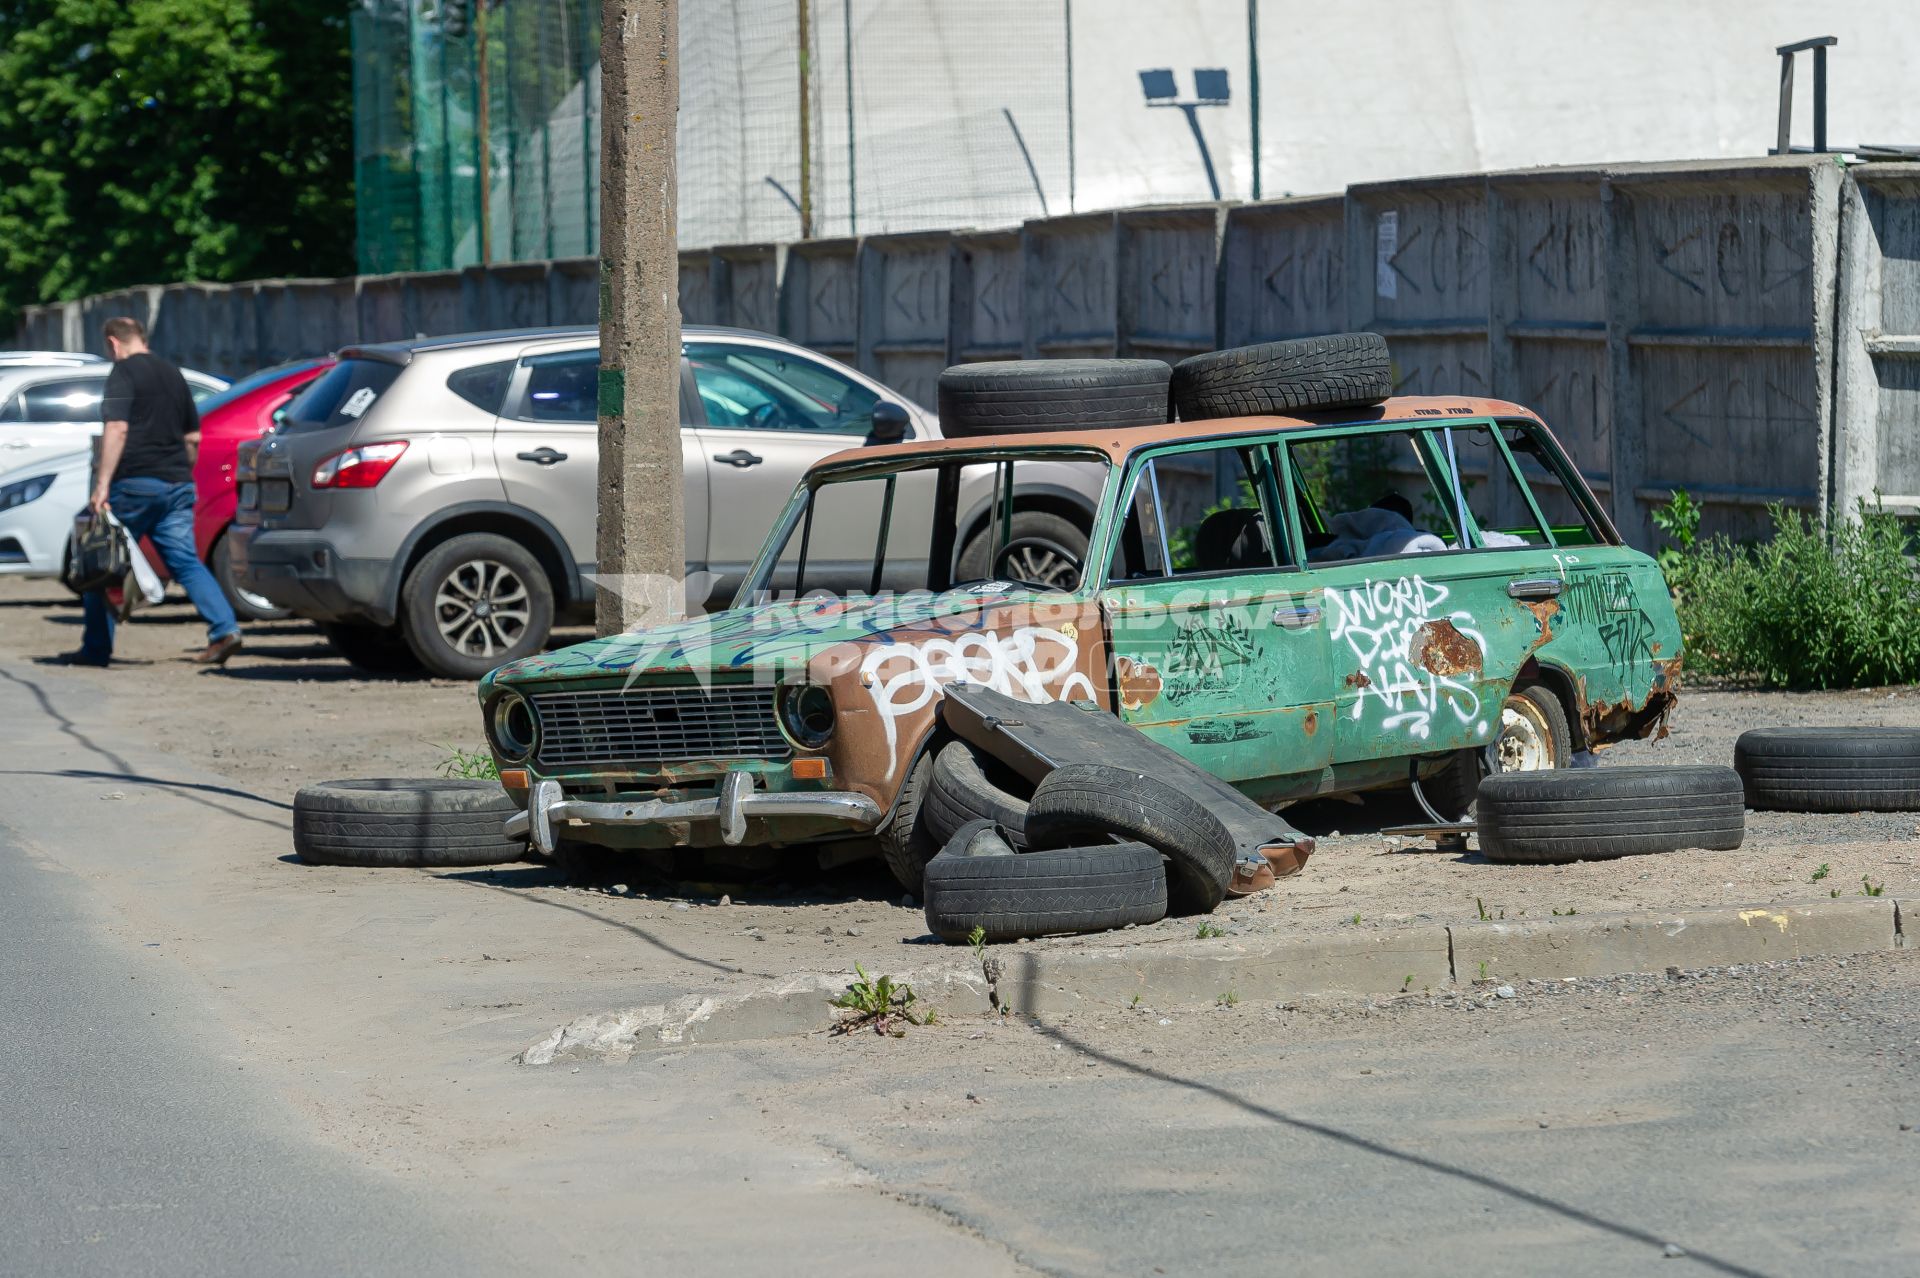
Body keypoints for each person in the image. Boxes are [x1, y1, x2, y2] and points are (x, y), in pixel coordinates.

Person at [58, 317, 241, 666]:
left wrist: (101, 486)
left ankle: (96, 648)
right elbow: (193, 438)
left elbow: (117, 428)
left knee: (101, 560)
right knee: (186, 562)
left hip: (135, 485)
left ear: (113, 343)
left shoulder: (124, 373)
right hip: (177, 485)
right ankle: (225, 629)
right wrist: (179, 476)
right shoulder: (174, 374)